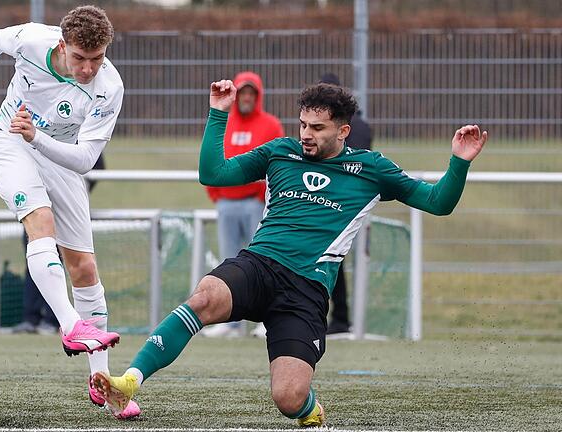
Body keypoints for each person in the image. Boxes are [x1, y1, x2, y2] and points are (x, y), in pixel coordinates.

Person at [92, 81, 487, 427]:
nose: (306, 134)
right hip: (260, 264)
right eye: (303, 125)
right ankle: (130, 381)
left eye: (317, 128)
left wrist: (459, 162)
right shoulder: (280, 152)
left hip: (306, 291)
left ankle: (309, 409)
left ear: (343, 130)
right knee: (204, 297)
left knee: (288, 398)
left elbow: (438, 203)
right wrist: (218, 115)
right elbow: (214, 174)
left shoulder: (371, 170)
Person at [0, 6, 140, 418]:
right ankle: (70, 326)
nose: (88, 69)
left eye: (97, 58)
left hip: (60, 157)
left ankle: (101, 383)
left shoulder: (110, 86)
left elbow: (85, 158)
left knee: (84, 268)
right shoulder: (32, 39)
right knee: (40, 224)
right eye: (80, 58)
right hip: (8, 142)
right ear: (62, 45)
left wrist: (39, 137)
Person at [202, 71, 283, 338]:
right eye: (243, 93)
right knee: (230, 262)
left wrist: (262, 199)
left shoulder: (270, 125)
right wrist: (217, 195)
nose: (247, 98)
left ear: (258, 96)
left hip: (255, 205)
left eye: (252, 93)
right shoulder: (226, 121)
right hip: (227, 204)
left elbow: (278, 164)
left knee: (264, 261)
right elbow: (213, 156)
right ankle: (230, 321)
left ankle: (266, 320)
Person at [12, 154, 105, 336]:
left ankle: (56, 320)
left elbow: (95, 164)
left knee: (71, 264)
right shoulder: (36, 134)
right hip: (38, 203)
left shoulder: (76, 133)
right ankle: (31, 317)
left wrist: (73, 192)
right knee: (35, 258)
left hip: (65, 208)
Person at [318, 73, 373, 335]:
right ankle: (341, 318)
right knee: (335, 260)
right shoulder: (362, 124)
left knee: (329, 259)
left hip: (335, 204)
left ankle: (339, 318)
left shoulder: (355, 127)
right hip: (357, 203)